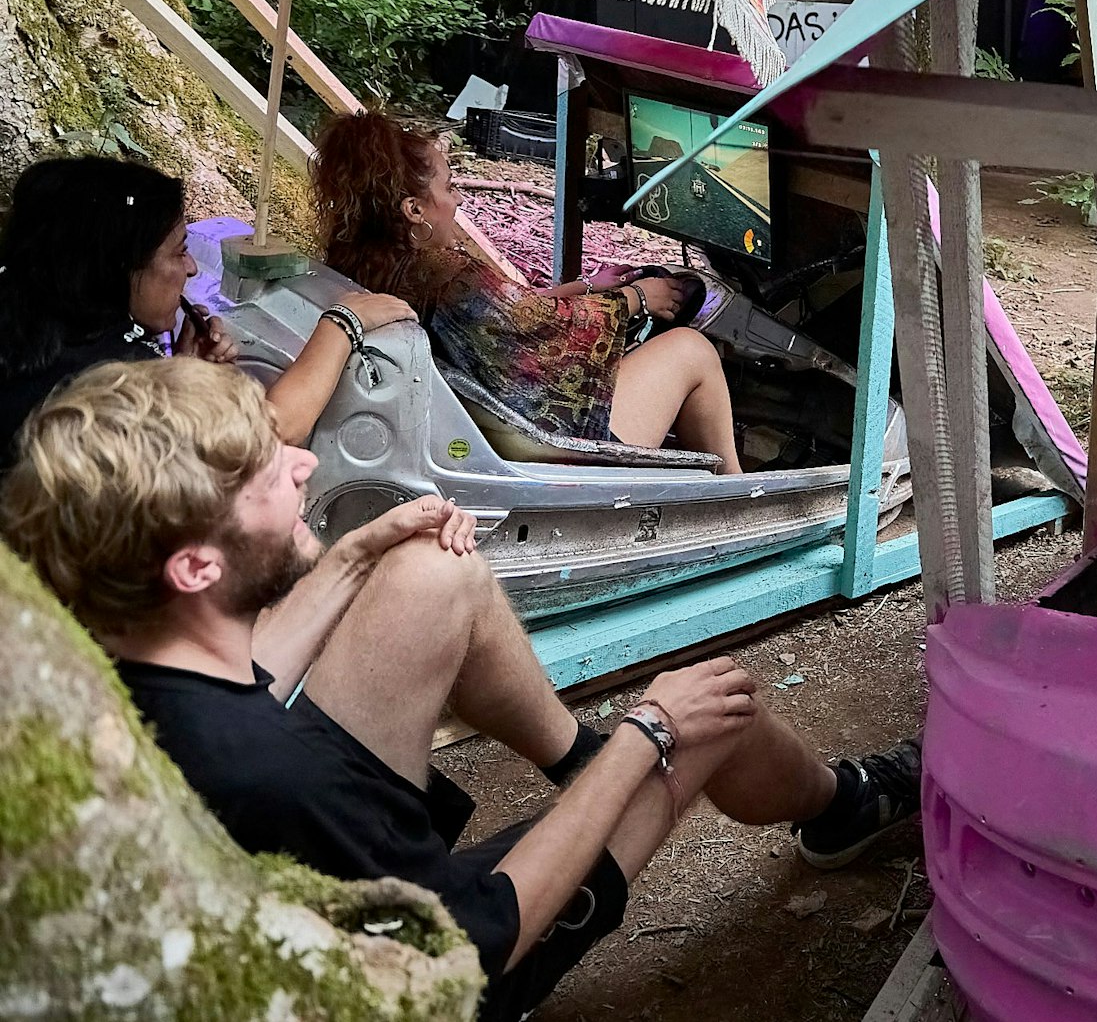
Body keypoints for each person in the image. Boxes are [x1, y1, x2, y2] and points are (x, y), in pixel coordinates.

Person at [0, 357, 916, 1020]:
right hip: (442, 964)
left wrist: (354, 554)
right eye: (264, 473)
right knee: (713, 702)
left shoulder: (108, 665)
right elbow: (471, 946)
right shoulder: (274, 778)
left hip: (295, 884)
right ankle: (844, 806)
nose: (305, 463)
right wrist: (649, 729)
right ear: (196, 564)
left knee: (426, 575)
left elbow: (242, 681)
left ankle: (582, 759)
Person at [312, 112, 743, 473]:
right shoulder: (447, 275)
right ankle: (739, 493)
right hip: (548, 442)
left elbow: (511, 315)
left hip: (488, 429)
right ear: (414, 210)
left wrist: (588, 286)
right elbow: (543, 331)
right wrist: (638, 298)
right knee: (692, 348)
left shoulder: (364, 260)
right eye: (449, 187)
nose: (459, 200)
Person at [0, 157, 412, 466]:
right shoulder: (105, 380)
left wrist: (181, 374)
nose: (192, 267)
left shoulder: (28, 313)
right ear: (116, 266)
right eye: (179, 252)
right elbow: (266, 435)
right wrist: (340, 325)